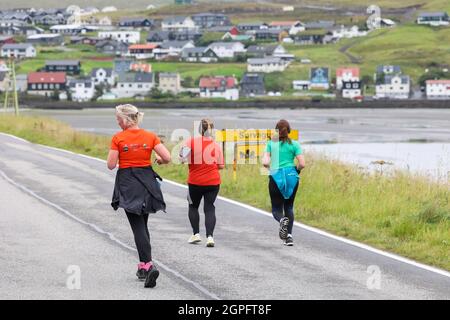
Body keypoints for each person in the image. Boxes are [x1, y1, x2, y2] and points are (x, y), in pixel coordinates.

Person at [107, 104, 171, 288]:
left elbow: (111, 165)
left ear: (126, 119)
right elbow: (166, 157)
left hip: (128, 183)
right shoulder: (150, 136)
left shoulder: (118, 138)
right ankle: (143, 266)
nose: (117, 122)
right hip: (147, 181)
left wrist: (124, 155)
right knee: (142, 224)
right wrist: (156, 159)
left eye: (118, 119)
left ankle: (149, 265)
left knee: (137, 227)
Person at [180, 119, 224, 247]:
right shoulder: (216, 145)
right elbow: (221, 166)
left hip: (195, 181)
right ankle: (210, 237)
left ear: (200, 129)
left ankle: (196, 234)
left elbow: (182, 158)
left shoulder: (191, 142)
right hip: (213, 181)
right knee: (209, 208)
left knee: (193, 206)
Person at [262, 119, 305, 246]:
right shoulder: (295, 144)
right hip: (292, 176)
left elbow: (265, 162)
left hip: (276, 176)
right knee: (289, 206)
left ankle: (281, 220)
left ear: (276, 131)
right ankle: (289, 237)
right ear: (289, 131)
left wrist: (270, 169)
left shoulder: (271, 144)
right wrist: (296, 171)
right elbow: (302, 164)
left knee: (276, 208)